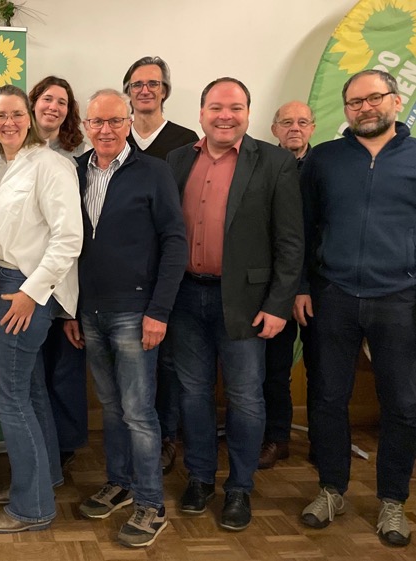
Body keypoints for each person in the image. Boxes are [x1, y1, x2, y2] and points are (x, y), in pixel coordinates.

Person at [165, 78, 303, 531]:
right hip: (186, 296)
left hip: (246, 302)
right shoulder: (177, 159)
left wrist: (279, 304)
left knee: (245, 399)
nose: (226, 115)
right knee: (194, 394)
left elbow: (290, 241)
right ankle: (202, 478)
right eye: (216, 107)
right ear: (201, 112)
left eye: (236, 107)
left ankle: (240, 487)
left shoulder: (275, 162)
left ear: (248, 111)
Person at [298, 69, 416, 548]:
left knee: (404, 405)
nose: (365, 108)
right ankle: (331, 489)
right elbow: (302, 231)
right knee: (327, 398)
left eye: (374, 98)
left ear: (396, 99)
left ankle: (392, 500)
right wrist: (302, 285)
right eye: (354, 102)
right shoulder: (323, 160)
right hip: (333, 295)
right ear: (344, 110)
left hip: (400, 298)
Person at [65, 89, 187, 548]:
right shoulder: (74, 172)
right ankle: (120, 483)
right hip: (89, 311)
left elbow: (175, 242)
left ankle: (151, 505)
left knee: (138, 412)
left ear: (129, 121)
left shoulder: (153, 172)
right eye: (97, 122)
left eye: (116, 121)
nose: (106, 130)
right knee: (113, 408)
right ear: (86, 125)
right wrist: (71, 311)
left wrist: (159, 311)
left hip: (137, 314)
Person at [0, 85, 83, 533]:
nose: (8, 122)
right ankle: (44, 478)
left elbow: (68, 238)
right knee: (30, 393)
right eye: (0, 116)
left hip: (23, 291)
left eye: (17, 114)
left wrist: (30, 293)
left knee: (9, 398)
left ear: (31, 118)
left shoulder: (51, 165)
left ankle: (32, 507)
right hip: (0, 284)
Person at [122, 56, 199, 474]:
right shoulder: (115, 137)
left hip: (172, 271)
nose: (145, 90)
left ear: (165, 91)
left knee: (169, 361)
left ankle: (167, 437)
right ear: (128, 93)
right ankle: (134, 440)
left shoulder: (187, 141)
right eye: (137, 84)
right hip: (125, 276)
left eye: (153, 83)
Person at [28, 76, 89, 469]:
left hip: (66, 279)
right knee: (31, 379)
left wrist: (72, 307)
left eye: (62, 102)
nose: (53, 107)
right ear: (33, 103)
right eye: (47, 99)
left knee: (64, 370)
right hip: (23, 282)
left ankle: (63, 450)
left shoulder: (78, 154)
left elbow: (73, 230)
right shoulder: (13, 152)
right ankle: (39, 452)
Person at [258, 101, 316, 469]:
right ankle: (276, 438)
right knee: (274, 369)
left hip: (320, 288)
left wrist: (304, 284)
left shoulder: (326, 166)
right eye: (286, 122)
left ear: (312, 127)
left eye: (302, 122)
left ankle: (325, 443)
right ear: (274, 129)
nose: (294, 128)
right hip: (273, 286)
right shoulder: (261, 165)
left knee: (323, 370)